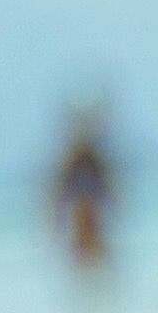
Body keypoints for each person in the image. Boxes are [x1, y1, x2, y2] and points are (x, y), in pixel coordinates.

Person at [45, 96, 125, 292]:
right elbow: (61, 192)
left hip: (89, 214)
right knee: (86, 261)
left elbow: (62, 193)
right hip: (83, 214)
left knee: (94, 260)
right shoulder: (77, 158)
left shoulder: (88, 157)